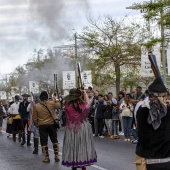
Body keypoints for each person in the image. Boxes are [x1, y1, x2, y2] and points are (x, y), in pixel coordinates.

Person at [62, 88, 97, 170]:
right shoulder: (83, 104)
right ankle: (83, 164)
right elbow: (89, 103)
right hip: (83, 126)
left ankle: (73, 164)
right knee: (82, 145)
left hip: (71, 127)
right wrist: (84, 93)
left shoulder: (67, 105)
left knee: (72, 145)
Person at [33, 91, 60, 163]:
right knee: (54, 140)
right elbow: (59, 106)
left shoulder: (36, 106)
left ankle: (46, 157)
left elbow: (34, 118)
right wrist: (56, 99)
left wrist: (36, 125)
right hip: (51, 124)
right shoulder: (51, 103)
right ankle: (56, 156)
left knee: (44, 142)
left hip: (42, 125)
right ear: (47, 97)